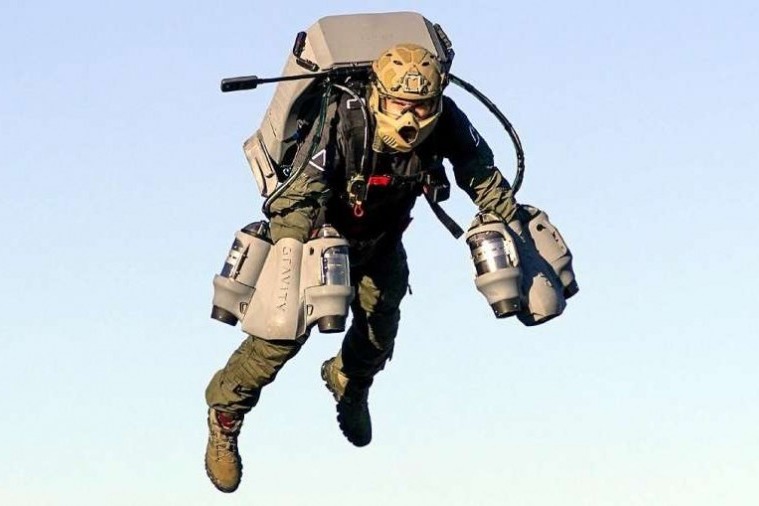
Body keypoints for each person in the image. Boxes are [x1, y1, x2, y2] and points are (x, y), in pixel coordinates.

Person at [204, 42, 518, 493]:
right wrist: (289, 258)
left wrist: (513, 219)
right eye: (399, 104)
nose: (410, 118)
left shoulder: (446, 119)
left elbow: (479, 171)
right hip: (319, 243)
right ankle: (224, 414)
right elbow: (297, 197)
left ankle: (348, 382)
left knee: (379, 331)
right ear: (378, 95)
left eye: (421, 106)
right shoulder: (342, 118)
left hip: (381, 243)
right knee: (278, 338)